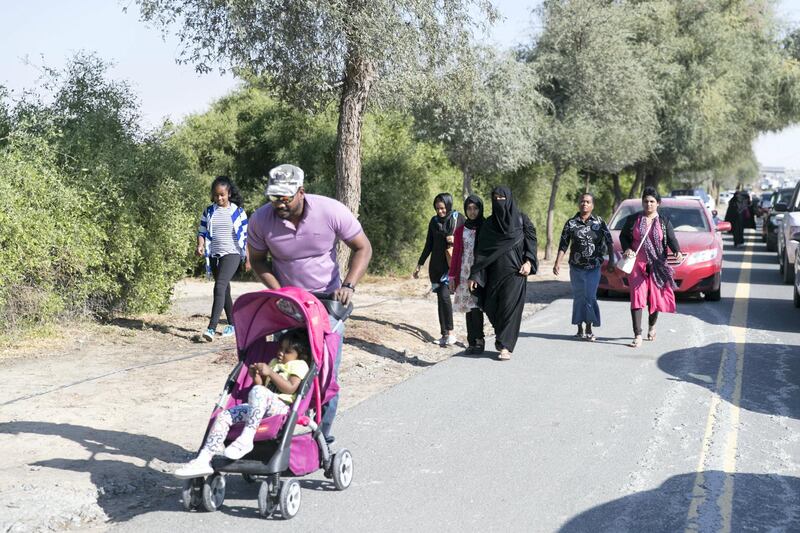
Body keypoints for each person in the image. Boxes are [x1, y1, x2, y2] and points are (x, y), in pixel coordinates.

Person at [247, 164, 372, 443]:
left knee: (326, 374)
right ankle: (277, 433)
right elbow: (257, 260)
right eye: (273, 197)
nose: (278, 203)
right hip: (289, 306)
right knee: (285, 366)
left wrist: (348, 285)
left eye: (285, 198)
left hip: (327, 304)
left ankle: (322, 438)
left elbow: (363, 247)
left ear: (301, 192)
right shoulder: (261, 220)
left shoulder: (330, 211)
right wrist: (280, 293)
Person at [174, 329, 311, 478]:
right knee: (224, 416)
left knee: (259, 392)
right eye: (280, 348)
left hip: (280, 408)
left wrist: (271, 373)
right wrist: (256, 377)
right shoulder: (274, 362)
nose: (281, 353)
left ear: (300, 354)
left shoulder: (299, 365)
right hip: (259, 408)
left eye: (287, 351)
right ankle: (204, 459)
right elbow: (262, 388)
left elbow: (290, 388)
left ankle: (246, 438)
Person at [468, 186, 537, 361]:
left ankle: (504, 346)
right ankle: (502, 337)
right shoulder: (488, 225)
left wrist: (529, 262)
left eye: (502, 198)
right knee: (492, 308)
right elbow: (481, 252)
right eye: (496, 198)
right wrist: (475, 274)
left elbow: (531, 244)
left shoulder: (522, 221)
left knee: (509, 309)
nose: (499, 201)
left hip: (516, 274)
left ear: (509, 198)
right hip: (493, 275)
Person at [619, 187, 683, 348]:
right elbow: (623, 236)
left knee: (654, 298)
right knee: (637, 297)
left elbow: (671, 240)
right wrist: (627, 248)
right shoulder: (634, 219)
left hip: (658, 266)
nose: (648, 204)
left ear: (658, 203)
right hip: (637, 265)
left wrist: (677, 252)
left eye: (652, 201)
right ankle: (637, 334)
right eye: (646, 201)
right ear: (642, 202)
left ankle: (652, 326)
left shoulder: (663, 221)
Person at [553, 193, 614, 342]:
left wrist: (611, 261)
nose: (584, 204)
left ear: (592, 205)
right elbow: (563, 244)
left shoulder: (600, 222)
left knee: (590, 296)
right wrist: (557, 262)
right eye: (582, 201)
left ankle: (589, 327)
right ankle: (579, 328)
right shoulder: (571, 223)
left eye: (587, 202)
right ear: (578, 204)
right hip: (576, 267)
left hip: (594, 267)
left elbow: (610, 242)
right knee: (579, 297)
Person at [196, 176, 249, 341]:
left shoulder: (238, 212)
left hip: (232, 253)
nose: (219, 198)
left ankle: (211, 328)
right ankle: (233, 324)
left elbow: (246, 237)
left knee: (219, 287)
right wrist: (200, 245)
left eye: (222, 195)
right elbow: (202, 232)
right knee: (224, 289)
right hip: (214, 254)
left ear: (229, 193)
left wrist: (248, 258)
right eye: (216, 195)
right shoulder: (209, 211)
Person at [414, 193, 464, 347]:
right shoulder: (434, 221)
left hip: (449, 267)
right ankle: (443, 334)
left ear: (448, 205)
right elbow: (428, 244)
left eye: (442, 208)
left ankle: (451, 333)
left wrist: (456, 240)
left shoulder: (457, 218)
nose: (440, 211)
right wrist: (420, 263)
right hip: (435, 267)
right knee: (440, 300)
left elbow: (468, 238)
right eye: (437, 208)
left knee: (444, 297)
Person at [448, 195, 485, 354]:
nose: (472, 212)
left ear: (480, 209)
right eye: (469, 208)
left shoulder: (485, 227)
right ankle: (471, 341)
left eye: (475, 208)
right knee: (468, 309)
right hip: (463, 272)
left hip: (478, 273)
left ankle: (479, 340)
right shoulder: (460, 230)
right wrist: (452, 276)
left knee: (476, 307)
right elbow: (456, 254)